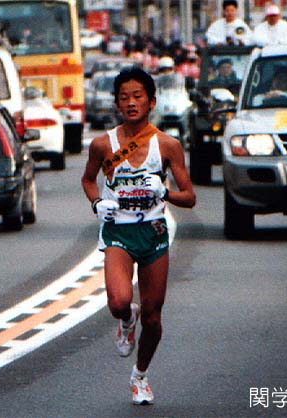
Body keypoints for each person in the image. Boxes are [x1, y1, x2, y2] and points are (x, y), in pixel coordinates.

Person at [81, 66, 196, 405]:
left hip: (153, 231)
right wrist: (97, 202)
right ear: (117, 104)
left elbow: (189, 197)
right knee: (118, 302)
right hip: (119, 230)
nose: (131, 103)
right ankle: (126, 319)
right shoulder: (102, 144)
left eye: (138, 97)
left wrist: (165, 192)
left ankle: (140, 375)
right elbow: (88, 180)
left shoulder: (168, 145)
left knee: (154, 316)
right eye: (124, 98)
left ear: (151, 102)